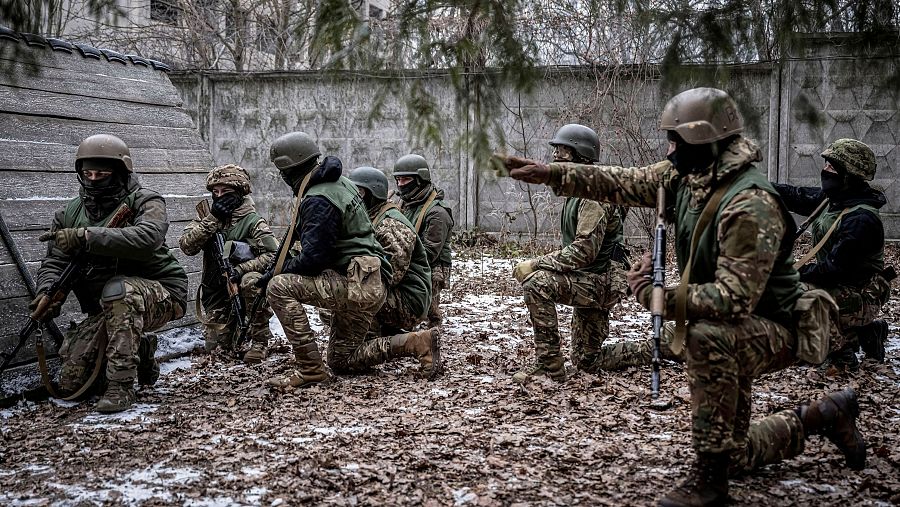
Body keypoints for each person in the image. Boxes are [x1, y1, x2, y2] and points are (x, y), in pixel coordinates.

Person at [497, 88, 866, 506]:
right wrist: (551, 174)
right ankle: (824, 416)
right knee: (736, 452)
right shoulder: (688, 176)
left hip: (777, 325)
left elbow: (733, 298)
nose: (669, 149)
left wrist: (662, 299)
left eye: (676, 141)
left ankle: (709, 483)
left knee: (705, 336)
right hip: (733, 323)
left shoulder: (750, 203)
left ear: (704, 141)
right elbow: (625, 180)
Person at [260, 133, 442, 388]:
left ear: (289, 169)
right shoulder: (339, 185)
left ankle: (310, 369)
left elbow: (313, 258)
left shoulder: (319, 197)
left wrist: (278, 273)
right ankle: (417, 342)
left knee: (279, 287)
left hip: (361, 285)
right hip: (364, 284)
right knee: (341, 359)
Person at [34, 134, 187, 413]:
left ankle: (121, 386)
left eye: (102, 173)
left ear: (119, 172)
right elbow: (55, 262)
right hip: (108, 307)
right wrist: (47, 292)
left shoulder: (147, 201)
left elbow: (148, 238)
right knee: (72, 382)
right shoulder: (68, 214)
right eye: (87, 173)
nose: (93, 179)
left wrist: (87, 237)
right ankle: (139, 349)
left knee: (120, 291)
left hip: (163, 293)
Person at [510, 124, 627, 383]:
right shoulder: (583, 188)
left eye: (562, 153)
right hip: (591, 276)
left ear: (580, 156)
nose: (555, 159)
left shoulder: (593, 194)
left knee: (537, 283)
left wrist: (536, 263)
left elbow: (583, 252)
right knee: (588, 362)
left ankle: (549, 365)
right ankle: (660, 346)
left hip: (599, 281)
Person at [773, 139, 891, 372]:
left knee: (795, 295)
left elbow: (831, 270)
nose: (825, 171)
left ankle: (842, 356)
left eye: (832, 167)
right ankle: (865, 333)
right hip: (841, 289)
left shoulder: (861, 220)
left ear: (849, 176)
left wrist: (786, 273)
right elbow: (794, 195)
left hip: (862, 295)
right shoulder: (834, 200)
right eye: (826, 165)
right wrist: (756, 185)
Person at [179, 164, 279, 363]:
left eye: (226, 192)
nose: (219, 196)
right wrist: (213, 219)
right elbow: (187, 247)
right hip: (216, 292)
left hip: (243, 287)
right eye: (215, 192)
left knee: (252, 281)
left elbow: (273, 254)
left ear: (239, 192)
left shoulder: (252, 221)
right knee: (216, 347)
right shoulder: (207, 216)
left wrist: (241, 269)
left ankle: (259, 341)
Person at [347, 166, 433, 335]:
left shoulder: (391, 225)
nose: (353, 197)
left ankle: (377, 337)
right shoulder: (372, 216)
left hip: (408, 303)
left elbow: (389, 276)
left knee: (344, 296)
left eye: (359, 192)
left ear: (372, 194)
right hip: (397, 295)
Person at [393, 154, 454, 328]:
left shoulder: (437, 213)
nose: (400, 184)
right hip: (410, 258)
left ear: (420, 180)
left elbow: (431, 251)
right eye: (398, 179)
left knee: (428, 308)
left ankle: (432, 331)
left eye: (405, 180)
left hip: (433, 266)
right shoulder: (407, 203)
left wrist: (403, 263)